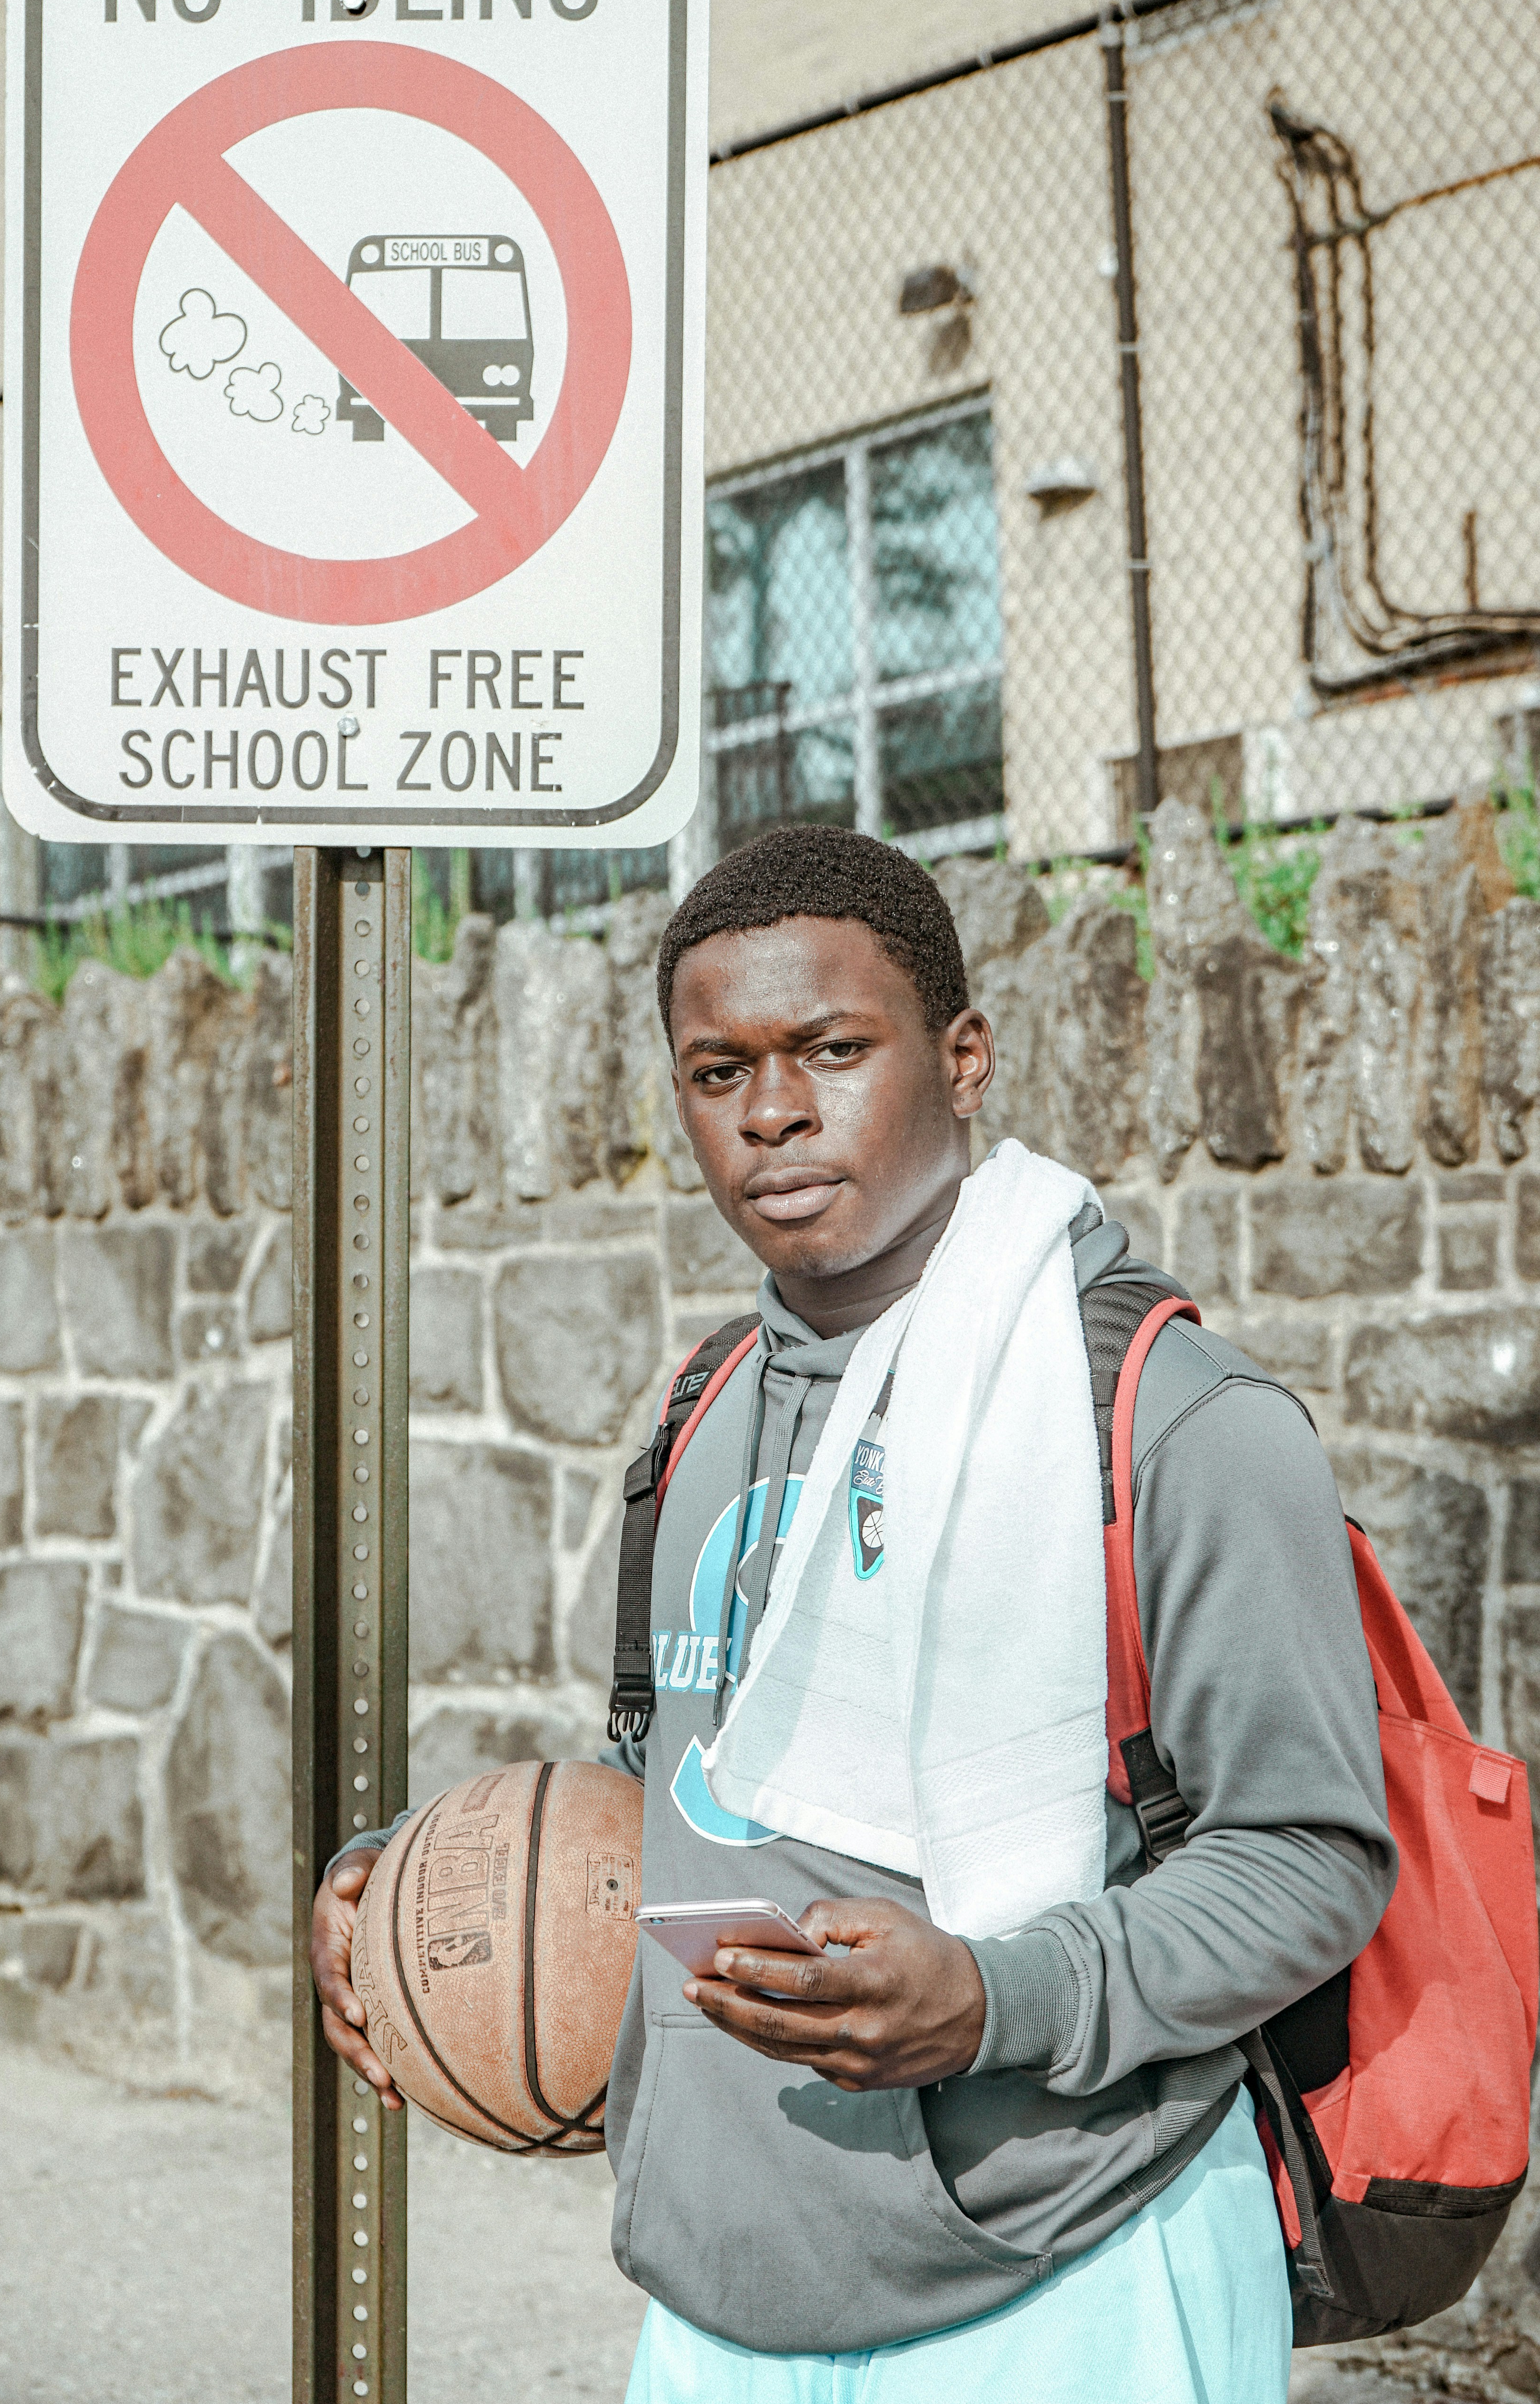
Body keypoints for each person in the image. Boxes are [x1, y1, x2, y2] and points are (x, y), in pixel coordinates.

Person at [311, 825, 1393, 2404]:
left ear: (963, 1057)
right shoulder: (701, 1406)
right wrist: (409, 1882)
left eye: (831, 1049)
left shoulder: (1170, 1416)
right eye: (718, 1070)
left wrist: (995, 1998)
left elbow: (1308, 1855)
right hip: (720, 2285)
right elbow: (684, 1800)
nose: (771, 1111)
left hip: (1068, 2259)